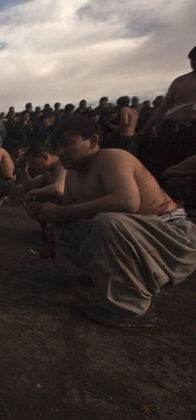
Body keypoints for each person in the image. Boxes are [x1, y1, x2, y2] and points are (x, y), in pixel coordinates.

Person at [29, 116, 196, 328]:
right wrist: (49, 224)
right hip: (135, 235)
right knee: (63, 227)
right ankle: (103, 275)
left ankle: (132, 307)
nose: (60, 152)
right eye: (56, 147)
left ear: (92, 141)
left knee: (107, 222)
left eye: (67, 143)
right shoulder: (72, 174)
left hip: (174, 238)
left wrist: (59, 212)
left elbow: (127, 202)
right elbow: (67, 216)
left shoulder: (112, 157)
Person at [140, 46, 196, 181]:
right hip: (172, 128)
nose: (194, 63)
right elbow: (162, 108)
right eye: (193, 60)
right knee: (159, 165)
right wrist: (145, 130)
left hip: (193, 132)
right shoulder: (180, 81)